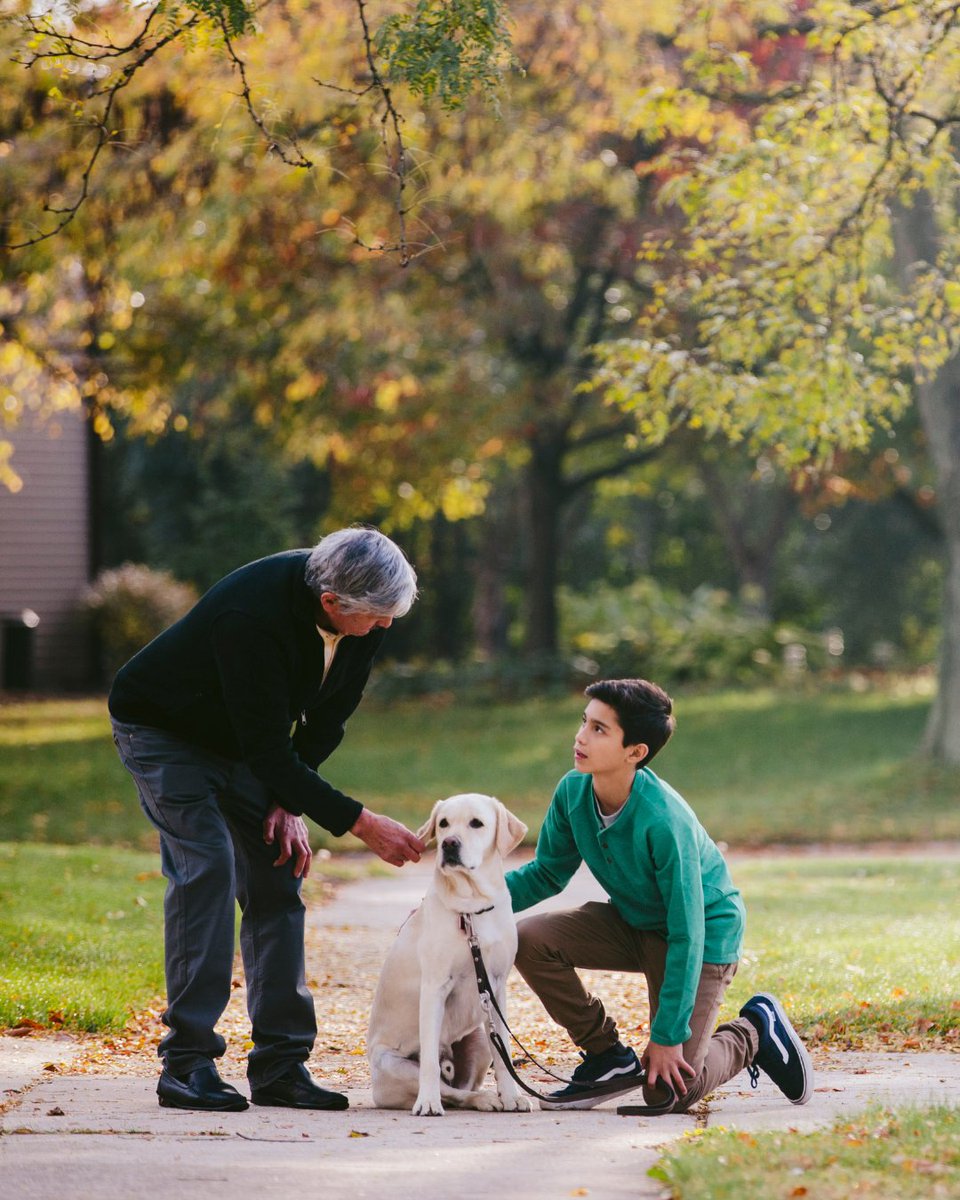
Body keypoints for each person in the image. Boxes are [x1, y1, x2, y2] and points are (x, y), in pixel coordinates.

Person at [109, 527, 425, 1114]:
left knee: (280, 871)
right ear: (332, 603)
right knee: (207, 865)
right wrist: (360, 823)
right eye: (378, 618)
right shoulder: (251, 615)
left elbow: (328, 718)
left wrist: (290, 801)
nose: (385, 627)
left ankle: (281, 1065)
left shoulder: (367, 608)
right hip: (164, 730)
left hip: (242, 741)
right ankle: (187, 1063)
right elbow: (267, 750)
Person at [505, 678, 813, 1111]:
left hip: (704, 936)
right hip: (638, 924)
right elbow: (546, 874)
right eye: (584, 722)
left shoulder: (665, 821)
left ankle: (754, 1031)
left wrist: (667, 1038)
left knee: (670, 1091)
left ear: (636, 753)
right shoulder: (572, 792)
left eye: (599, 729)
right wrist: (468, 901)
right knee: (531, 938)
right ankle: (606, 1056)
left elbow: (688, 932)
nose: (580, 736)